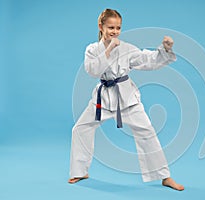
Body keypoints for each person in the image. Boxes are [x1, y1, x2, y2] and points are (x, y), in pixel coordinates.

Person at [68, 8, 184, 191]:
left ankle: (164, 177)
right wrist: (108, 51)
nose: (115, 31)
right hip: (103, 98)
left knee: (146, 131)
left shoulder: (126, 48)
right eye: (111, 27)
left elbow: (147, 60)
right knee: (80, 129)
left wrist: (165, 50)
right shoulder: (92, 49)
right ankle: (80, 170)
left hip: (126, 97)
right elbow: (92, 70)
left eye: (118, 28)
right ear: (101, 26)